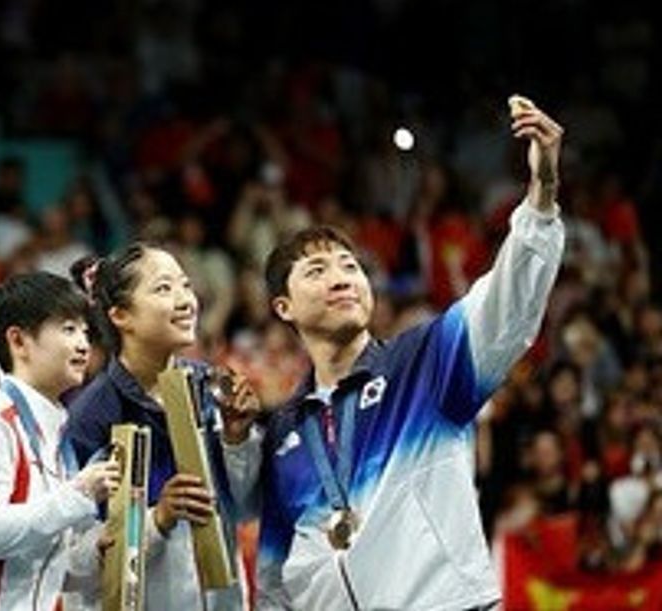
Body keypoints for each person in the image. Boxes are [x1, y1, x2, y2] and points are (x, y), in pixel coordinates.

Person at [220, 96, 566, 609]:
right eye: (317, 272)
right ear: (283, 306)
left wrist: (541, 198)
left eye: (350, 267)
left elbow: (508, 305)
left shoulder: (425, 364)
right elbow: (274, 576)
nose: (341, 279)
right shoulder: (286, 431)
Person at [66, 244, 246, 609]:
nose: (185, 301)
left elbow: (243, 502)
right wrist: (156, 519)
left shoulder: (208, 385)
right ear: (120, 315)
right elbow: (75, 561)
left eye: (185, 285)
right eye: (164, 289)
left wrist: (237, 438)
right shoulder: (92, 416)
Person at [0, 272, 119, 610]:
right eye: (68, 329)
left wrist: (97, 549)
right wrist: (78, 494)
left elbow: (49, 564)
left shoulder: (59, 430)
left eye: (85, 332)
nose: (83, 344)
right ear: (18, 341)